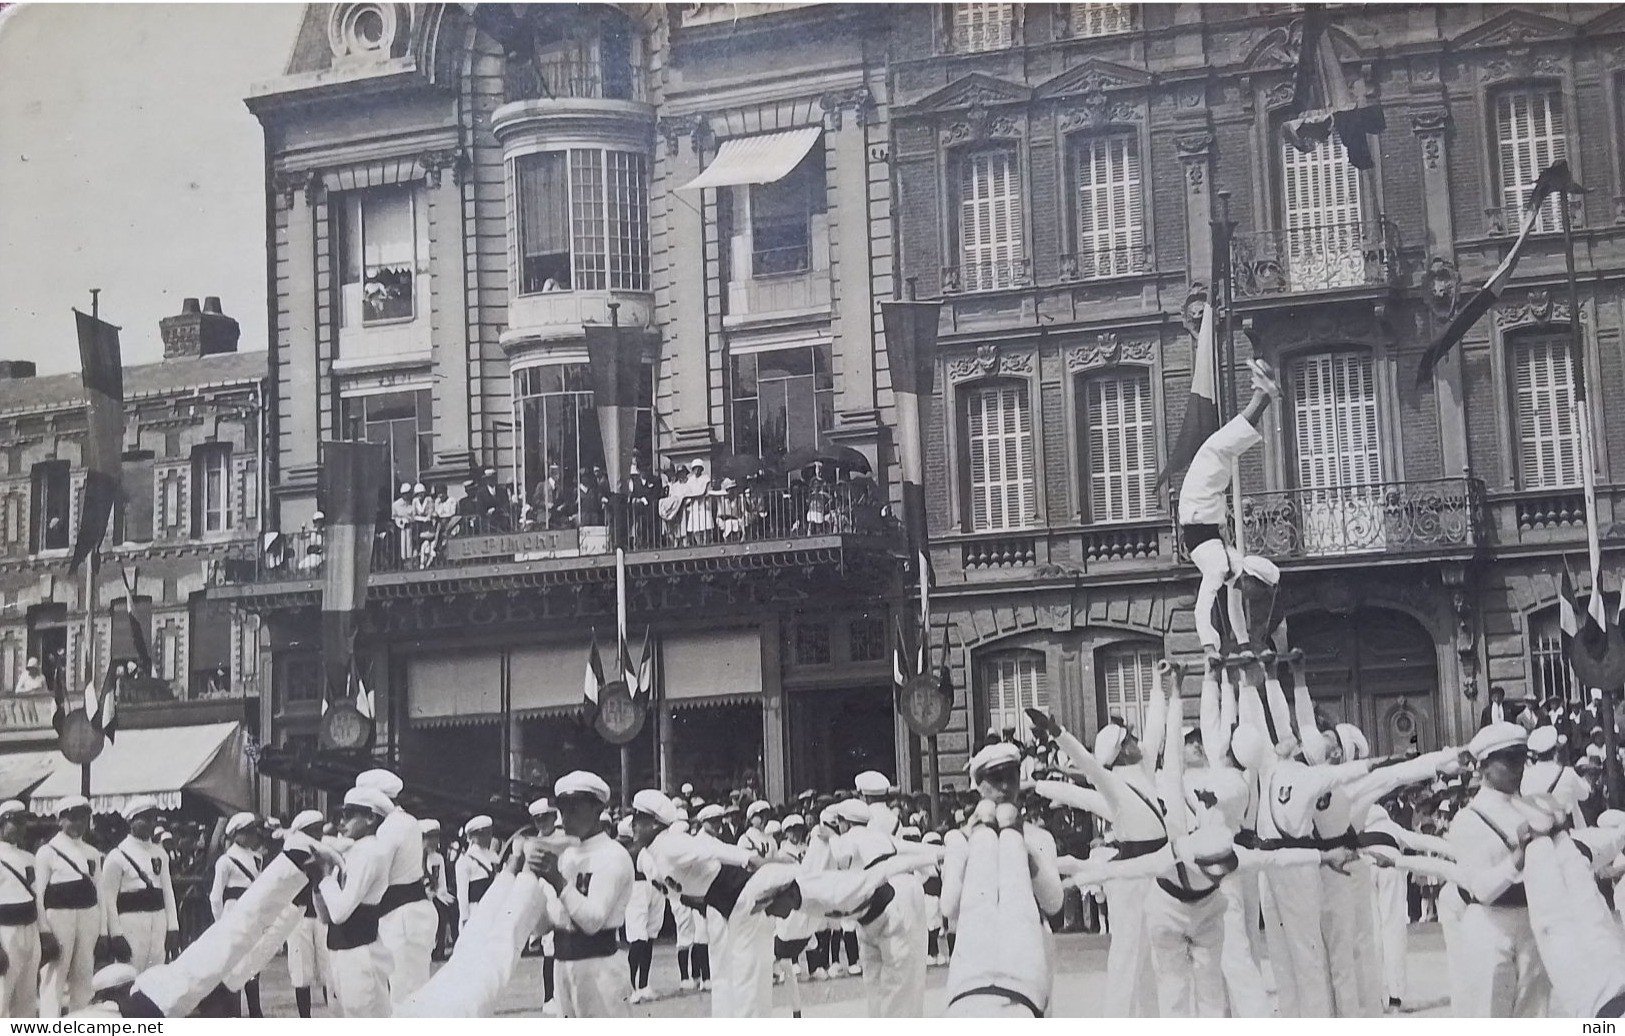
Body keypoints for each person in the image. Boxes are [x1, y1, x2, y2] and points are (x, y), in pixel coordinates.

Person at [941, 741, 1064, 1015]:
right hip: (979, 947)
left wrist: (1023, 848)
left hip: (1031, 944)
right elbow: (948, 907)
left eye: (1011, 777)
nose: (1006, 787)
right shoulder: (960, 838)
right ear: (978, 784)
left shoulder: (1039, 837)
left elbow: (1054, 902)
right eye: (996, 780)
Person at [1175, 359, 1282, 663]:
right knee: (1220, 449)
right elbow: (1211, 605)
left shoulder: (1226, 569)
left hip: (1200, 508)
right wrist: (1227, 645)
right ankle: (1262, 397)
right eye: (1252, 588)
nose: (1247, 593)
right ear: (1250, 577)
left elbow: (1217, 606)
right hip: (1204, 507)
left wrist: (1226, 644)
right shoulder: (1231, 566)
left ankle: (1262, 397)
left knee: (1219, 449)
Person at [633, 789, 770, 1017]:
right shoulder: (651, 855)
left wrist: (752, 859)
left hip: (737, 891)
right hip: (716, 903)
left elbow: (712, 848)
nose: (633, 825)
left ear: (655, 824)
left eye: (640, 820)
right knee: (723, 973)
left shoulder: (670, 845)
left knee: (746, 971)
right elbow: (678, 891)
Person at [1445, 722, 1550, 1017]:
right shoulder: (1468, 819)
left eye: (1522, 758)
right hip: (1489, 929)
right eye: (1509, 759)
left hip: (1532, 925)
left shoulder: (1532, 809)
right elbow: (1481, 890)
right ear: (1484, 767)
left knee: (1534, 1017)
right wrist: (1517, 858)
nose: (1519, 767)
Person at [538, 772, 631, 1017]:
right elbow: (545, 924)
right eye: (563, 810)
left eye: (575, 809)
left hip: (599, 967)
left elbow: (592, 921)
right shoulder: (565, 854)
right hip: (563, 964)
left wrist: (558, 882)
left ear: (597, 808)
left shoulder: (612, 855)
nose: (566, 818)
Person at [315, 788, 394, 1018]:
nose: (341, 821)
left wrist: (326, 876)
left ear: (370, 818)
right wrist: (318, 882)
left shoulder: (371, 852)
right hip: (339, 949)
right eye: (341, 814)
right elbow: (326, 916)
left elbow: (339, 913)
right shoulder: (351, 852)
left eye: (349, 815)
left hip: (359, 952)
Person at [37, 795, 106, 1018]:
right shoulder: (48, 852)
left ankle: (81, 1021)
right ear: (60, 821)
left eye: (83, 819)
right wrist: (44, 931)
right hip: (59, 917)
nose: (78, 824)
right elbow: (39, 894)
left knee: (84, 974)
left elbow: (99, 892)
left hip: (87, 916)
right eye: (72, 818)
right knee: (55, 976)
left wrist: (103, 930)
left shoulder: (92, 853)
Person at [98, 797, 177, 975]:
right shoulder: (117, 856)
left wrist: (173, 927)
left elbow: (168, 892)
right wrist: (116, 934)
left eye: (153, 818)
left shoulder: (160, 853)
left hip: (158, 920)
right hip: (131, 922)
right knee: (130, 972)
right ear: (131, 821)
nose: (150, 823)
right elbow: (108, 900)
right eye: (144, 818)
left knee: (157, 972)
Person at [207, 812, 263, 1017]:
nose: (253, 836)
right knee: (235, 967)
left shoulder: (257, 857)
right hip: (233, 914)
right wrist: (221, 924)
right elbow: (215, 896)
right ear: (235, 834)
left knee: (253, 963)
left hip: (252, 915)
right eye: (247, 832)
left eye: (254, 831)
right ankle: (234, 1013)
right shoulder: (226, 860)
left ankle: (255, 1011)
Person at [0, 801, 46, 1018]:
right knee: (2, 995)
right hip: (5, 933)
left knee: (27, 998)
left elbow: (38, 898)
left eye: (23, 822)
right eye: (15, 822)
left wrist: (44, 933)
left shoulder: (29, 858)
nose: (21, 827)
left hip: (30, 929)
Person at [281, 811, 328, 1018]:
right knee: (301, 972)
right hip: (299, 916)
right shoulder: (291, 852)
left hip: (321, 916)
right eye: (314, 829)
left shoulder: (323, 851)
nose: (318, 833)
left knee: (329, 971)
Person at [456, 816, 500, 931]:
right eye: (482, 834)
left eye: (489, 833)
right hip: (476, 910)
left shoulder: (494, 857)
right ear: (471, 837)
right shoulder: (466, 860)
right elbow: (462, 894)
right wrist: (465, 918)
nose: (488, 837)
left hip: (495, 908)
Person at [422, 820, 455, 962]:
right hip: (421, 897)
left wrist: (441, 894)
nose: (434, 842)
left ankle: (440, 947)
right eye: (430, 837)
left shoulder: (438, 858)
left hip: (435, 895)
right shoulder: (415, 858)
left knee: (446, 909)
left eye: (436, 837)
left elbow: (442, 883)